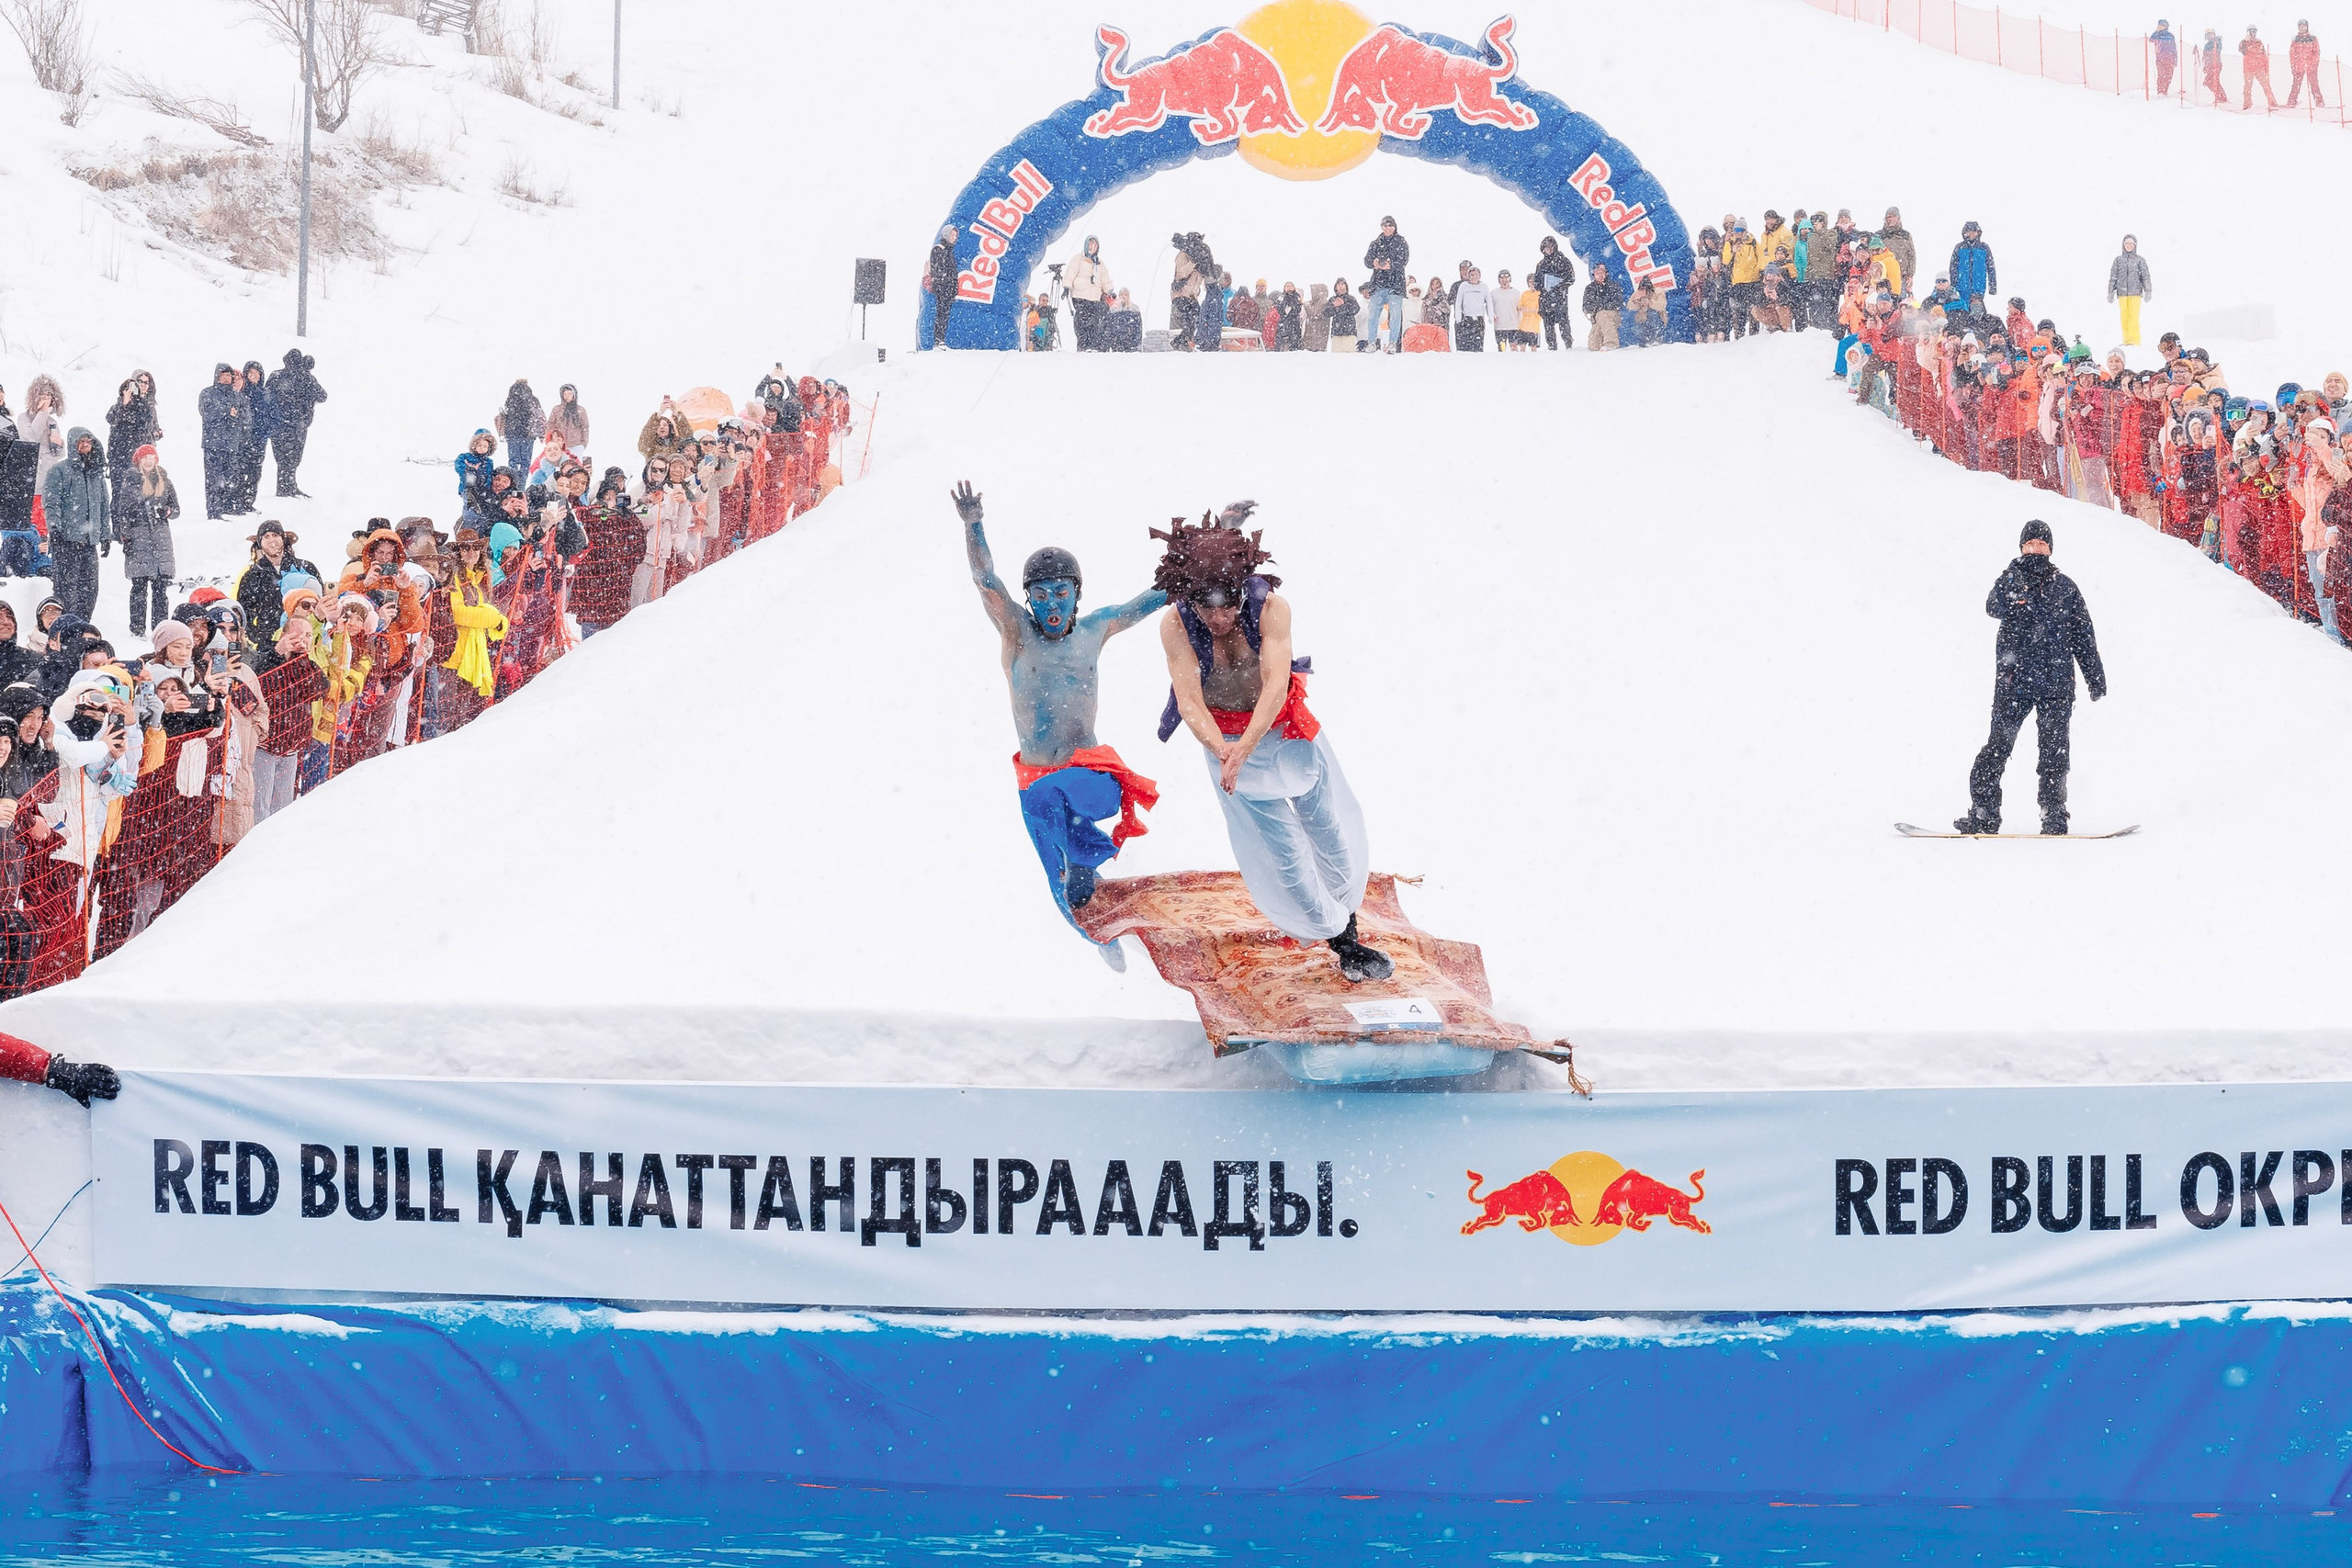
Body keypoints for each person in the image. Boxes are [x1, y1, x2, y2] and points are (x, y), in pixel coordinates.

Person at [1151, 510, 1390, 983]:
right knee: (1282, 852)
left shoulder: (1271, 608)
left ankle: (1349, 925)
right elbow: (1190, 699)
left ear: (1242, 589)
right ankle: (1340, 938)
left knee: (1330, 832)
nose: (1218, 618)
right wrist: (1225, 750)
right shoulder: (1175, 625)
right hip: (1225, 744)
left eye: (1227, 604)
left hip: (1284, 729)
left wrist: (1246, 746)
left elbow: (1275, 684)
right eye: (1206, 607)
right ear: (1191, 599)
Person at [951, 479, 1164, 962]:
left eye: (1060, 593)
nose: (1051, 604)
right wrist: (973, 525)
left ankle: (1085, 858)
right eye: (1041, 595)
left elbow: (1145, 602)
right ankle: (1098, 937)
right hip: (1036, 779)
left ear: (1077, 594)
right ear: (1029, 601)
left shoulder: (1095, 629)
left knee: (1061, 806)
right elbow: (987, 581)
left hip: (1090, 774)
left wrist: (1205, 553)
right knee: (1060, 881)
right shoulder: (1017, 634)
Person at [1955, 521, 2106, 837]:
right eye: (2031, 543)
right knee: (1997, 747)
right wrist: (2014, 589)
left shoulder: (2065, 587)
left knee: (2055, 753)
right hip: (2014, 682)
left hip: (2056, 684)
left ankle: (2054, 816)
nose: (2036, 548)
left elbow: (2083, 634)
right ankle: (1983, 814)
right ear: (2022, 547)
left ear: (2050, 549)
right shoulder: (2010, 578)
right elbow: (1992, 607)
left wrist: (2095, 676)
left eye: (2041, 544)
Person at [41, 428, 107, 621]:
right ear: (72, 444)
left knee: (90, 590)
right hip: (66, 540)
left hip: (89, 542)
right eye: (81, 441)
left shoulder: (96, 474)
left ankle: (83, 627)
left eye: (88, 440)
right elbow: (51, 502)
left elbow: (103, 506)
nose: (85, 444)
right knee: (66, 590)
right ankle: (65, 631)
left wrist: (105, 535)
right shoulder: (59, 471)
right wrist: (54, 529)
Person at [117, 445, 179, 637]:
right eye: (145, 457)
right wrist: (126, 537)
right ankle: (137, 629)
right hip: (139, 538)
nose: (149, 461)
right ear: (139, 460)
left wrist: (167, 511)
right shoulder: (130, 483)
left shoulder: (165, 482)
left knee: (160, 588)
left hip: (161, 539)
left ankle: (160, 628)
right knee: (139, 587)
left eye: (152, 457)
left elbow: (176, 508)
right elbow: (123, 513)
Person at [264, 349, 326, 498]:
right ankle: (288, 486)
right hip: (298, 425)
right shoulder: (306, 378)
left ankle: (286, 485)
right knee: (293, 456)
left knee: (282, 456)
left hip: (279, 424)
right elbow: (322, 396)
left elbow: (266, 396)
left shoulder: (276, 375)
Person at [196, 364, 245, 520]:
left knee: (230, 478)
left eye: (228, 375)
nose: (226, 378)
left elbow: (243, 416)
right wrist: (226, 412)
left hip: (231, 445)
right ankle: (214, 511)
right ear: (217, 376)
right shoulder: (208, 393)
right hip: (213, 444)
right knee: (213, 480)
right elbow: (206, 412)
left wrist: (233, 417)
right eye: (222, 375)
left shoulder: (236, 395)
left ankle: (227, 508)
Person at [1363, 216, 1409, 354]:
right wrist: (1374, 263)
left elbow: (1404, 260)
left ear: (1394, 227)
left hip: (1395, 285)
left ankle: (1392, 343)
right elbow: (1366, 261)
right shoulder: (1375, 243)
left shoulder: (1401, 243)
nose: (1387, 229)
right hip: (1378, 284)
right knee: (1372, 315)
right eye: (1384, 226)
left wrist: (1391, 265)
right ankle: (1371, 342)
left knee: (1395, 316)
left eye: (1390, 226)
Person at [234, 360, 274, 512]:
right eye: (249, 373)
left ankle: (248, 502)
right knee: (239, 472)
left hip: (259, 441)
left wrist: (266, 432)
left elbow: (274, 415)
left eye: (256, 373)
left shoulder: (266, 394)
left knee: (255, 473)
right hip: (242, 441)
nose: (252, 376)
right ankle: (238, 502)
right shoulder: (242, 393)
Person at [1063, 236, 1112, 352]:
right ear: (1086, 245)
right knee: (1082, 320)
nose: (1092, 248)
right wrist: (1067, 286)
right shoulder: (1078, 259)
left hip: (1094, 296)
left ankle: (1093, 346)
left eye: (1095, 246)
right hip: (1080, 294)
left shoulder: (1099, 263)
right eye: (1090, 245)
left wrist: (1109, 290)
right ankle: (1083, 345)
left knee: (1095, 321)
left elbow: (1105, 278)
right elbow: (1071, 272)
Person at [1532, 236, 1576, 351]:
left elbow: (1571, 278)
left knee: (1564, 322)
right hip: (1545, 300)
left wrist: (1558, 286)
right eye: (1546, 247)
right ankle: (1552, 347)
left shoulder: (1563, 261)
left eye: (1551, 246)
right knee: (1548, 325)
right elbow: (1536, 282)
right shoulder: (1541, 264)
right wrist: (1542, 286)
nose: (1549, 249)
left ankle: (1568, 345)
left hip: (1560, 299)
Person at [2107, 236, 2152, 348]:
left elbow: (2145, 276)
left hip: (2135, 294)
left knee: (2133, 318)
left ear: (2135, 245)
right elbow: (2113, 277)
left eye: (2131, 244)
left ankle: (2134, 341)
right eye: (2127, 243)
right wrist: (2111, 292)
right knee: (2124, 318)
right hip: (2122, 294)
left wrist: (2148, 291)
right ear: (2123, 245)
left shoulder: (2140, 260)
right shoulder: (2118, 260)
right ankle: (2126, 340)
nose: (2129, 246)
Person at [496, 380, 544, 475]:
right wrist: (541, 434)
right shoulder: (532, 399)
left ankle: (513, 482)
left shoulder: (511, 398)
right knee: (525, 462)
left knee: (513, 461)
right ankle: (521, 486)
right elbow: (539, 416)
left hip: (512, 433)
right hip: (527, 434)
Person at [1948, 222, 1995, 314]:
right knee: (1963, 308)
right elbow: (1953, 267)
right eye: (1969, 231)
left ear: (1978, 233)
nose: (1972, 234)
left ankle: (1978, 325)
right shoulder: (1959, 247)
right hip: (1962, 285)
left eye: (1974, 231)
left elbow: (1991, 267)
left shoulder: (1984, 248)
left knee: (1977, 308)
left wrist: (1992, 286)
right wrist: (1953, 285)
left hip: (1979, 286)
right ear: (1965, 233)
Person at [925, 224, 958, 348]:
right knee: (942, 314)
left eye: (955, 235)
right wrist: (945, 284)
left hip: (948, 288)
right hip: (943, 288)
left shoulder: (949, 251)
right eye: (952, 235)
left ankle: (941, 339)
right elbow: (938, 270)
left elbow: (953, 272)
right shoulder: (939, 249)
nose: (954, 238)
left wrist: (954, 289)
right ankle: (938, 340)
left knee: (945, 314)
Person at [1448, 263, 1491, 353]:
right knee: (1463, 348)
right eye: (1471, 275)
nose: (1474, 277)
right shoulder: (1463, 286)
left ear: (1479, 275)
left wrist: (1490, 316)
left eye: (1476, 275)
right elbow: (1458, 302)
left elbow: (1489, 303)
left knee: (1477, 348)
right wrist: (1458, 318)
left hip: (1478, 321)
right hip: (1465, 320)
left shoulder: (1484, 287)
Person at [1582, 263, 1624, 351]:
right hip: (1597, 318)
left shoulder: (1613, 286)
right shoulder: (1590, 288)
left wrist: (1602, 307)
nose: (1600, 275)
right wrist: (1598, 307)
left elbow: (1618, 302)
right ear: (1594, 275)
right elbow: (1586, 306)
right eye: (1597, 273)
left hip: (1613, 315)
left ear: (1606, 273)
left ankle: (1611, 343)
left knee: (1603, 314)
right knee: (1593, 346)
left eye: (1602, 272)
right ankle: (1603, 343)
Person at [2288, 19, 2324, 107]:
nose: (2302, 28)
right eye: (2300, 26)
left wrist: (2313, 64)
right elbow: (2292, 54)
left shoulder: (2312, 39)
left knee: (2314, 84)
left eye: (2304, 26)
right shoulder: (2296, 40)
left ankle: (2319, 102)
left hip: (2310, 66)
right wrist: (2293, 66)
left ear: (2307, 27)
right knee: (2296, 85)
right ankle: (2292, 102)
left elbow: (2316, 52)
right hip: (2299, 67)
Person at [2241, 26, 2278, 109]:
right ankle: (2247, 104)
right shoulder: (2245, 43)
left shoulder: (2259, 42)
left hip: (2259, 68)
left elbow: (2264, 55)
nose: (2253, 33)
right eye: (2251, 31)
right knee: (2247, 88)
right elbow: (2241, 49)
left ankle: (2272, 102)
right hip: (2249, 69)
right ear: (2248, 32)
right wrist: (2244, 41)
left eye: (2254, 31)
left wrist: (2266, 68)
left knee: (2266, 86)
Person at [1627, 276, 1666, 345]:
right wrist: (1636, 302)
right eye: (1642, 289)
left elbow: (1662, 306)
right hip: (1642, 318)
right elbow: (1629, 306)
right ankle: (1643, 341)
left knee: (1653, 315)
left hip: (1657, 317)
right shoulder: (1637, 294)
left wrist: (1650, 303)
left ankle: (1657, 339)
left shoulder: (1658, 292)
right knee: (1638, 326)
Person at [1325, 279, 1360, 352]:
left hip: (1350, 332)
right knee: (1336, 357)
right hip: (1336, 332)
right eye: (1338, 284)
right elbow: (1326, 313)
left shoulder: (1351, 299)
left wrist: (1343, 305)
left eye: (1342, 284)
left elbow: (1355, 310)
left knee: (1350, 355)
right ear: (1335, 287)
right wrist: (1334, 306)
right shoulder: (1333, 299)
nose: (1340, 286)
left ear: (1346, 286)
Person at [2151, 18, 2177, 97]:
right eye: (2160, 25)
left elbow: (2174, 48)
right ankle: (2160, 92)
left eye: (2163, 25)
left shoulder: (2170, 36)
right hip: (2160, 59)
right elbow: (2151, 40)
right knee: (2161, 75)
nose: (2162, 27)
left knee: (2168, 76)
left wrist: (2175, 59)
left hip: (2170, 59)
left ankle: (2165, 91)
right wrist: (2156, 31)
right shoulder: (2157, 35)